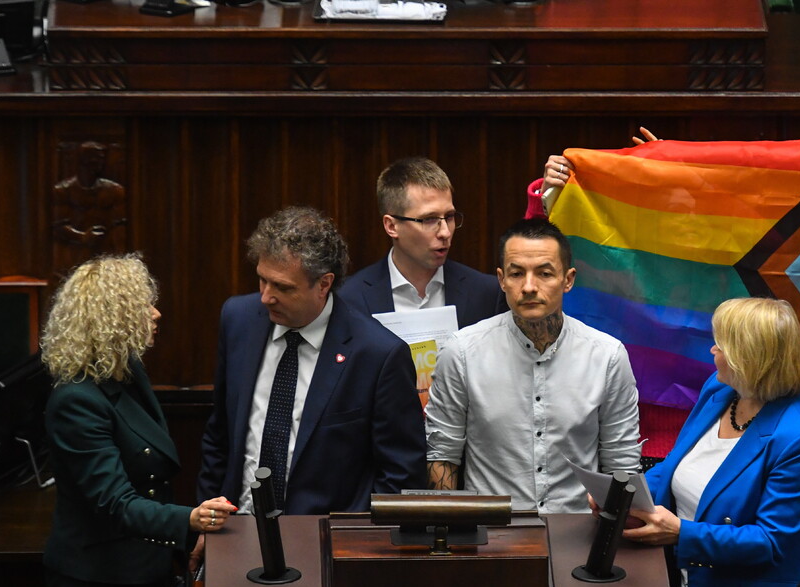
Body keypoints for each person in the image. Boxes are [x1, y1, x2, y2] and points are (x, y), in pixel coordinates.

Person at [622, 297, 800, 587]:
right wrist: (622, 495)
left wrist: (680, 534)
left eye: (722, 344)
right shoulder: (720, 391)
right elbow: (675, 468)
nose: (712, 349)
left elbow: (772, 543)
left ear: (749, 358)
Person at [40, 255, 236, 587]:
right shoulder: (76, 400)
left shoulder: (125, 373)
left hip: (146, 569)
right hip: (100, 586)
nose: (156, 313)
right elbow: (116, 503)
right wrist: (190, 519)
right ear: (113, 317)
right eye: (143, 305)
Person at [197, 206, 427, 520]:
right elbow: (219, 436)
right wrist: (207, 522)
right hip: (236, 526)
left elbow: (400, 476)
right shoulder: (238, 320)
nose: (266, 297)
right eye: (262, 280)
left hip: (326, 541)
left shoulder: (377, 355)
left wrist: (351, 543)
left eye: (282, 287)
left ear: (323, 284)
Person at [424, 218, 641, 512]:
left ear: (568, 279)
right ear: (501, 280)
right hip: (492, 537)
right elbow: (443, 454)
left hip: (577, 535)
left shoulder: (607, 356)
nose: (528, 286)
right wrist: (449, 537)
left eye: (544, 273)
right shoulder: (462, 352)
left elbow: (621, 463)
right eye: (516, 274)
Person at [338, 156, 506, 327]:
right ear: (391, 226)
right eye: (429, 219)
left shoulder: (487, 293)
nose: (445, 232)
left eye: (449, 217)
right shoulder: (349, 298)